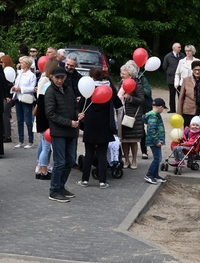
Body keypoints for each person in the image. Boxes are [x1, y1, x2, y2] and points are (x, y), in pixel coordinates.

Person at [77, 68, 122, 189]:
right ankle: (102, 181)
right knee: (102, 154)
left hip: (90, 125)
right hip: (105, 125)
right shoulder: (109, 88)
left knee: (89, 153)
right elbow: (119, 104)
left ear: (91, 77)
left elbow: (80, 106)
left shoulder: (89, 88)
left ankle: (85, 180)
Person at [45, 66, 84, 203]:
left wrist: (77, 114)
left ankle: (61, 187)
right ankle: (54, 190)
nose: (60, 80)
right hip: (59, 132)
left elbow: (74, 107)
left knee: (69, 161)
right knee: (60, 162)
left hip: (71, 131)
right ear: (52, 77)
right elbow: (50, 114)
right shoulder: (50, 92)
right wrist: (69, 122)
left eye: (62, 78)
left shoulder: (68, 89)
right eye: (57, 78)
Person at [177, 60, 200, 156]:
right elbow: (181, 97)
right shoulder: (186, 80)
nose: (197, 72)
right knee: (189, 134)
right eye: (195, 70)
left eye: (199, 70)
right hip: (188, 111)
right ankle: (191, 155)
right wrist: (179, 114)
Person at [119, 61, 145, 169]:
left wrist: (130, 98)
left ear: (130, 74)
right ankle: (126, 160)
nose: (121, 75)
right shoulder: (121, 83)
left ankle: (134, 160)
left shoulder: (137, 84)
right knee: (124, 140)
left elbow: (141, 99)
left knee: (133, 140)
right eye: (121, 73)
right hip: (122, 113)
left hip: (133, 115)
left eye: (123, 73)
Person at [11, 56, 36, 149]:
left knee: (28, 120)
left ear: (26, 64)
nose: (20, 64)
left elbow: (32, 88)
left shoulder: (31, 75)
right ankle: (21, 140)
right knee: (19, 120)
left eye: (22, 63)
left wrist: (21, 89)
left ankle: (30, 140)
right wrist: (14, 88)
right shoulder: (20, 73)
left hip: (25, 98)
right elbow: (16, 84)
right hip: (18, 98)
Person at [143, 98, 167, 184]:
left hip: (155, 140)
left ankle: (155, 175)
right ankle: (149, 175)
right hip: (154, 141)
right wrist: (156, 140)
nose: (163, 110)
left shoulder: (154, 114)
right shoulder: (153, 115)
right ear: (160, 107)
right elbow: (151, 129)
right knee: (157, 158)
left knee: (158, 158)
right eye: (163, 108)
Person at [162, 43, 184, 113]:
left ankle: (181, 109)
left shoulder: (182, 56)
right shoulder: (168, 56)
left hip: (180, 79)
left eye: (180, 47)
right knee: (172, 94)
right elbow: (164, 66)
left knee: (181, 94)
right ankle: (172, 109)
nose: (180, 49)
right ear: (174, 48)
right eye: (179, 47)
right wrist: (169, 72)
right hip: (171, 78)